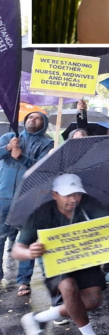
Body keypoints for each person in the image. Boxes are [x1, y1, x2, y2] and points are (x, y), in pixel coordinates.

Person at [15, 174, 109, 335]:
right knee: (69, 288)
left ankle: (39, 317)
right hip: (57, 263)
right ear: (55, 195)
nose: (74, 199)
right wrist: (29, 252)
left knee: (93, 300)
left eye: (77, 194)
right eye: (68, 195)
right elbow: (18, 248)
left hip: (85, 259)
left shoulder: (89, 204)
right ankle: (89, 332)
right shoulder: (41, 213)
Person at [0, 111, 53, 297]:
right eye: (30, 117)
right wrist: (7, 148)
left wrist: (21, 157)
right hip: (3, 196)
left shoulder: (48, 143)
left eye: (38, 118)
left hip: (29, 198)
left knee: (26, 240)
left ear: (44, 123)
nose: (33, 119)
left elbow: (44, 168)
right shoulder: (10, 136)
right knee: (0, 237)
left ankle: (24, 281)